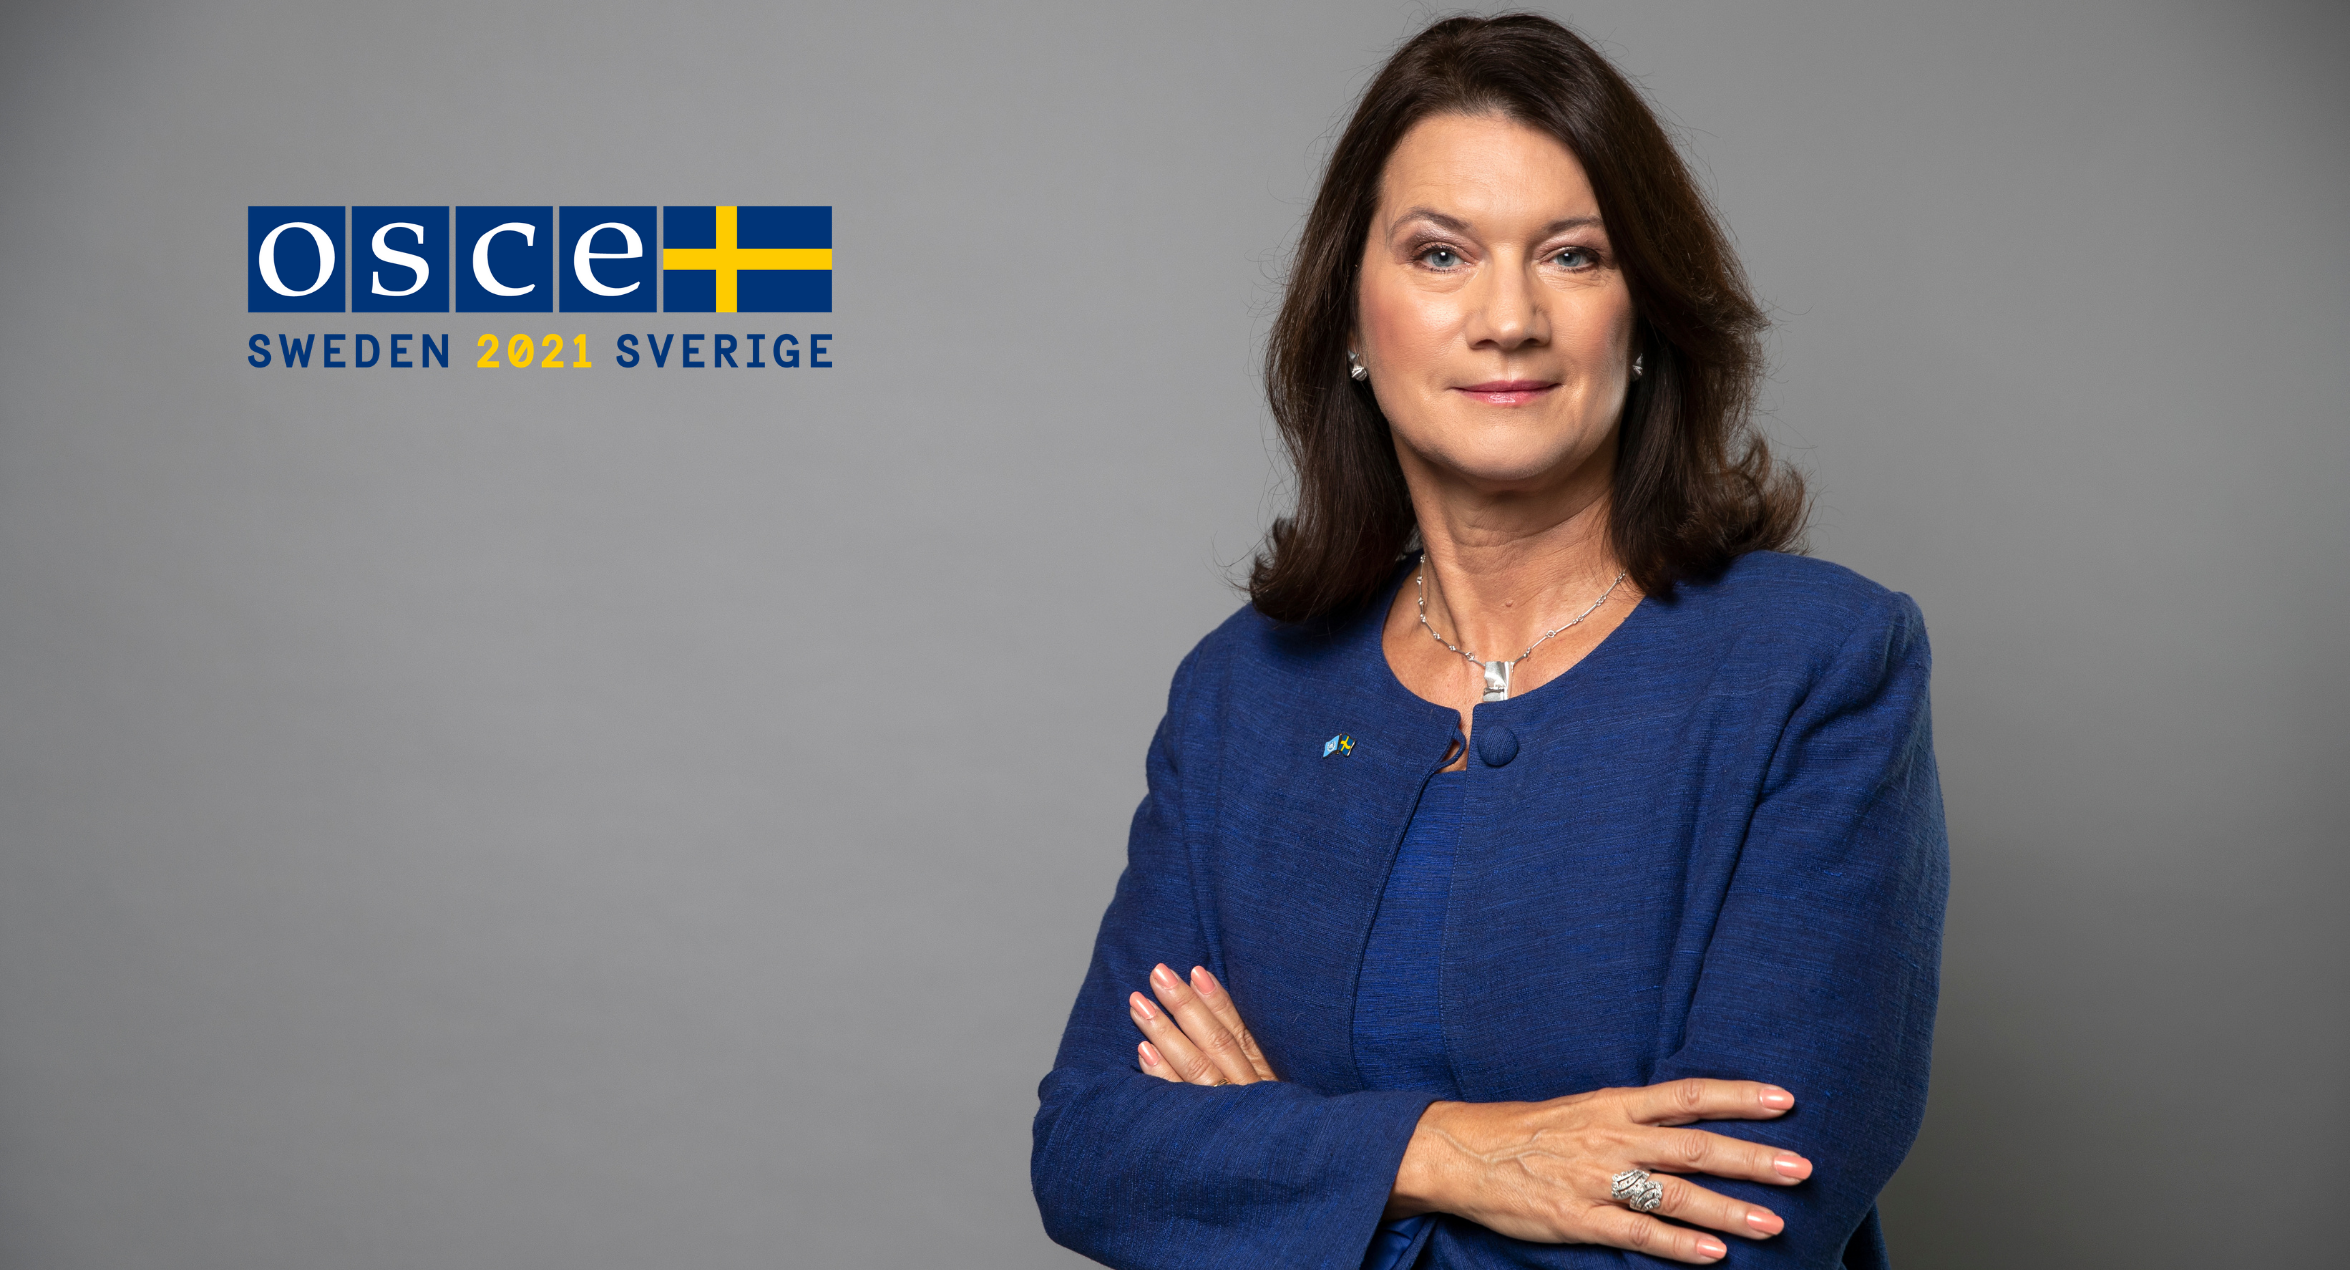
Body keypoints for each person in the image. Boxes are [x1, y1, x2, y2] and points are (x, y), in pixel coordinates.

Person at [1031, 14, 1946, 1270]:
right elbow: (1094, 1149)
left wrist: (1286, 1175)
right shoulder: (1241, 695)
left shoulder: (1817, 668)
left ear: (1644, 316)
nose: (1508, 317)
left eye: (1572, 255)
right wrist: (1451, 1154)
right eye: (1440, 253)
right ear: (1350, 319)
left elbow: (1741, 1234)